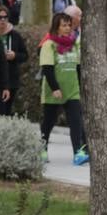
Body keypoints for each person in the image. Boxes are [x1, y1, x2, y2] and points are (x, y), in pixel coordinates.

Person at [39, 11, 88, 165]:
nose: (67, 28)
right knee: (49, 121)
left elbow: (79, 66)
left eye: (69, 25)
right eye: (64, 25)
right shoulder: (49, 45)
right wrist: (55, 88)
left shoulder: (75, 44)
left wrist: (80, 86)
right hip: (53, 90)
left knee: (75, 121)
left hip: (72, 89)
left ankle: (77, 153)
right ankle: (42, 148)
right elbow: (47, 68)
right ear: (56, 27)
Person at [0, 14, 27, 117]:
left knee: (6, 110)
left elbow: (25, 55)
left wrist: (14, 55)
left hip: (11, 77)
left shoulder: (15, 35)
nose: (2, 20)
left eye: (5, 17)